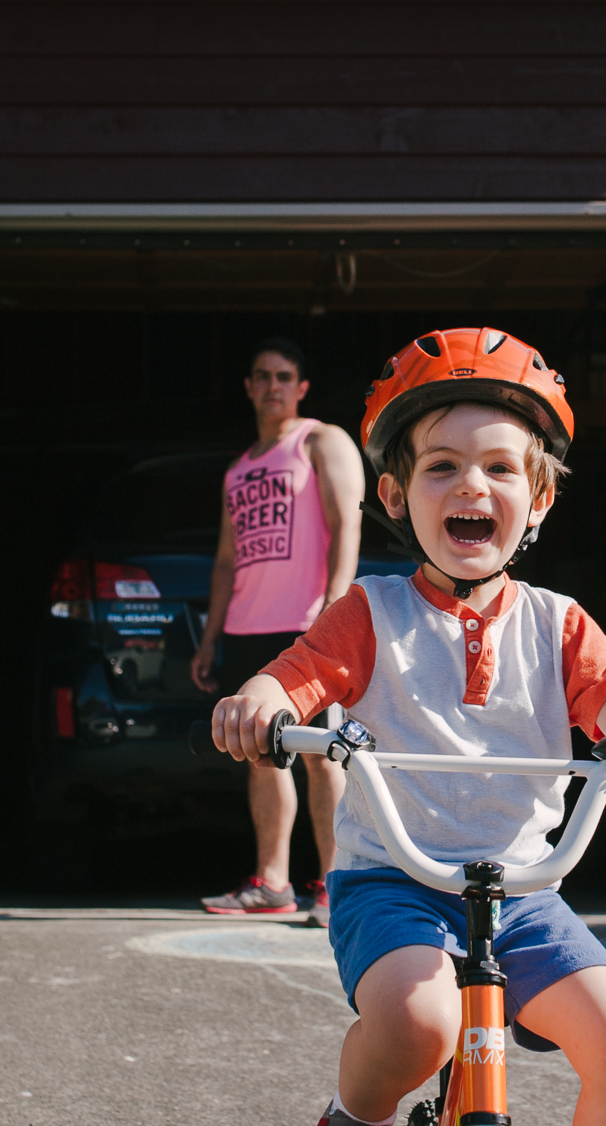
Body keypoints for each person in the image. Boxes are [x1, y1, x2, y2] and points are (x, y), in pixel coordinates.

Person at [209, 327, 606, 1126]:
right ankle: (352, 1112)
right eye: (442, 466)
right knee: (418, 1024)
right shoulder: (372, 612)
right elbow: (295, 675)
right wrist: (258, 701)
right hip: (394, 886)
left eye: (501, 467)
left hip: (526, 894)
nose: (472, 483)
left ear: (538, 499)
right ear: (397, 497)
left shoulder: (557, 623)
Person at [192, 337, 363, 923]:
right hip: (246, 625)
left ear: (301, 387)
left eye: (283, 376)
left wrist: (335, 610)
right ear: (248, 386)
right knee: (261, 755)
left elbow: (346, 525)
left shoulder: (319, 440)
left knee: (322, 757)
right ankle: (271, 882)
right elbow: (224, 560)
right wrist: (211, 636)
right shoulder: (239, 469)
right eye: (261, 376)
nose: (272, 386)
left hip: (305, 624)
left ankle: (335, 886)